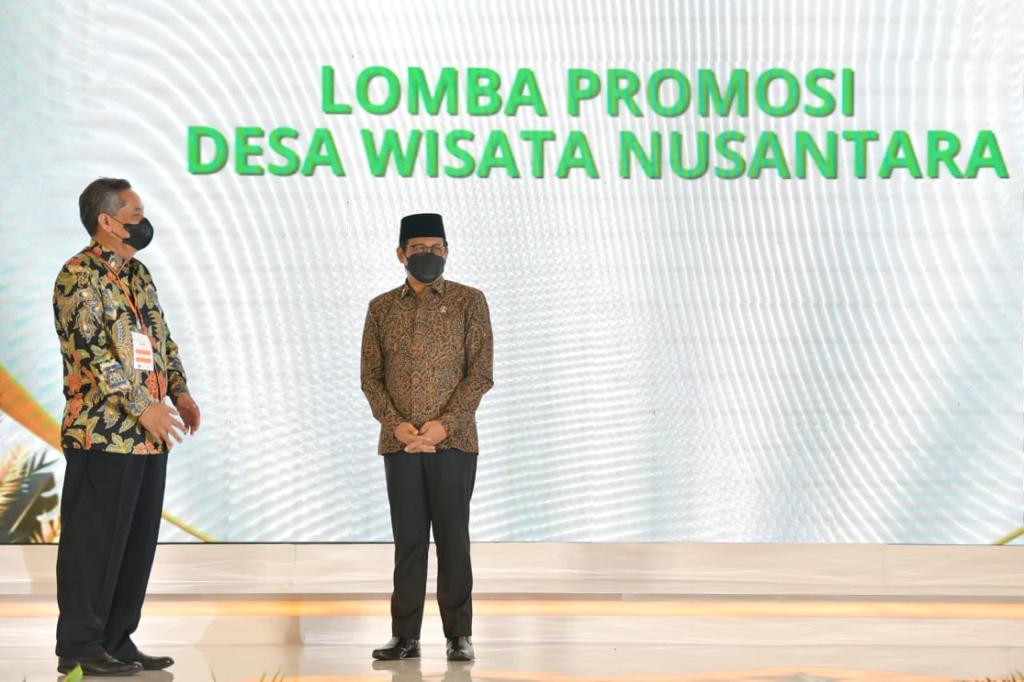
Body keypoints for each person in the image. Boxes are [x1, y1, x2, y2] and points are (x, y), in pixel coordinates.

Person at [52, 177, 200, 676]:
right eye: (135, 214)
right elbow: (92, 354)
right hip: (102, 433)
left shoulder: (137, 274)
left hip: (148, 437)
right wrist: (142, 406)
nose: (143, 221)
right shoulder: (78, 276)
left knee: (136, 544)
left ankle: (117, 640)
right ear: (108, 222)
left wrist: (178, 391)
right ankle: (80, 646)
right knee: (93, 544)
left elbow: (160, 338)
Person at [361, 212, 494, 662]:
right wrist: (395, 424)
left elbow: (480, 374)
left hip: (454, 441)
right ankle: (405, 636)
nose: (429, 255)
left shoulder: (469, 301)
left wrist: (445, 424)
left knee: (453, 538)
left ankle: (459, 635)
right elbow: (371, 377)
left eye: (437, 248)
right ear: (401, 253)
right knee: (409, 541)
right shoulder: (381, 308)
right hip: (399, 442)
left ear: (447, 251)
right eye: (419, 249)